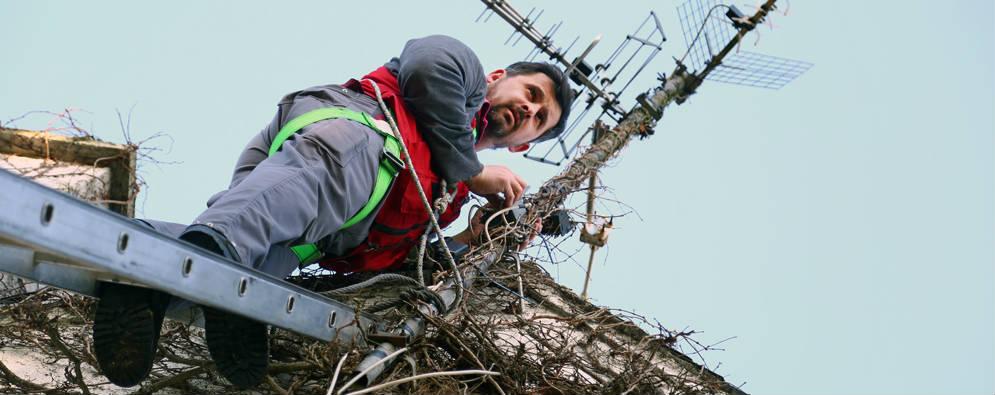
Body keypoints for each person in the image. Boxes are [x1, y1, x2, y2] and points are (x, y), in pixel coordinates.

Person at [91, 34, 573, 388]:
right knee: (239, 236)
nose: (529, 111)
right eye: (530, 94)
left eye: (540, 119)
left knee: (259, 265)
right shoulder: (462, 68)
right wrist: (472, 172)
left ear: (523, 148)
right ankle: (214, 256)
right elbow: (427, 71)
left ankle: (143, 283)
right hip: (349, 143)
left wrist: (473, 237)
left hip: (315, 226)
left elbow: (410, 263)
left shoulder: (447, 196)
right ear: (496, 79)